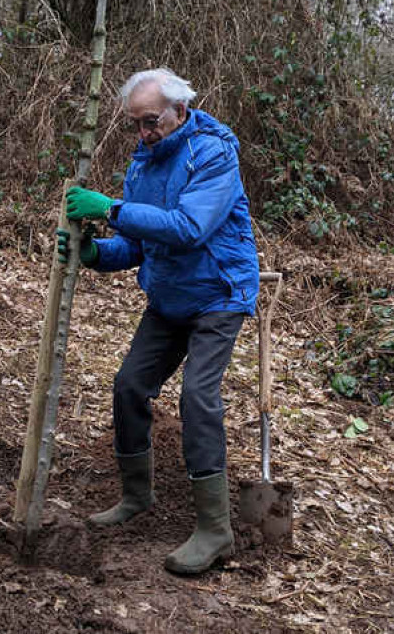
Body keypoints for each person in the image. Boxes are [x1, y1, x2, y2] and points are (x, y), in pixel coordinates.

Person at [56, 67, 260, 575]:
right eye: (136, 125)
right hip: (169, 299)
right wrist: (94, 252)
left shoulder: (214, 155)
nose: (143, 133)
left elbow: (189, 228)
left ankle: (215, 530)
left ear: (179, 110)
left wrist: (112, 208)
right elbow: (138, 245)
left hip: (219, 294)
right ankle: (136, 495)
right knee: (129, 385)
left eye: (151, 122)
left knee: (198, 395)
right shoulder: (143, 166)